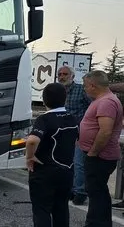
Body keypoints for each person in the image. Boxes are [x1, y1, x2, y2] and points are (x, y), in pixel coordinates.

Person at [26, 83, 79, 227]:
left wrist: (29, 157)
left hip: (45, 171)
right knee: (61, 209)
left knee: (41, 210)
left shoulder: (44, 119)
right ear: (65, 98)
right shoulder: (72, 118)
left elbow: (32, 140)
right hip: (67, 171)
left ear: (44, 99)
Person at [79, 70, 123, 227]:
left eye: (85, 86)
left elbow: (105, 131)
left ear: (92, 85)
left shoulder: (106, 102)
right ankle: (102, 223)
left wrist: (92, 153)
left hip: (100, 156)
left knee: (96, 192)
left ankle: (94, 223)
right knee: (99, 191)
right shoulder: (104, 99)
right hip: (98, 155)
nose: (84, 89)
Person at [57, 65, 92, 205]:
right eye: (59, 74)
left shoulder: (81, 90)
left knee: (78, 163)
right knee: (66, 162)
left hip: (79, 132)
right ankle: (69, 189)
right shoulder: (58, 91)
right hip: (62, 132)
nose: (62, 76)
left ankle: (80, 192)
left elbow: (93, 107)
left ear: (72, 76)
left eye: (65, 74)